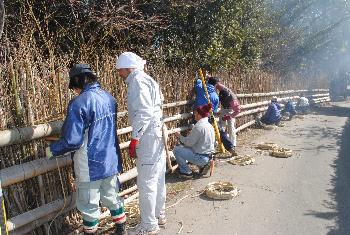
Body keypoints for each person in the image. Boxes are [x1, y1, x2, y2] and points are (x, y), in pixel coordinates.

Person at [45, 64, 126, 235]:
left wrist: (53, 149)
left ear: (77, 82)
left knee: (88, 204)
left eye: (73, 87)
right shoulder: (110, 98)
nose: (74, 91)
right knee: (112, 197)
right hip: (110, 158)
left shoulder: (79, 102)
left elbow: (72, 140)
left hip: (89, 163)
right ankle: (121, 230)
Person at [116, 52, 166, 235]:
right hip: (156, 132)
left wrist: (135, 138)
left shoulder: (137, 81)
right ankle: (159, 214)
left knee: (146, 181)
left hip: (147, 135)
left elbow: (144, 112)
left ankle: (148, 224)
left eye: (120, 70)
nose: (119, 74)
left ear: (129, 68)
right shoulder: (148, 80)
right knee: (158, 176)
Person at [173, 104, 215, 178]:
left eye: (196, 113)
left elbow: (189, 143)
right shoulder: (210, 125)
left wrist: (180, 136)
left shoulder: (199, 127)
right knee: (184, 148)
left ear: (199, 115)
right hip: (209, 156)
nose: (194, 115)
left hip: (201, 157)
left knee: (177, 150)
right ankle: (203, 165)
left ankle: (186, 172)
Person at [207, 77, 241, 156]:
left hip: (230, 110)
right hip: (223, 109)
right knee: (220, 126)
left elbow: (238, 110)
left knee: (231, 127)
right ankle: (218, 143)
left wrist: (231, 116)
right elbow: (216, 83)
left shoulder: (232, 99)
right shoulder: (222, 89)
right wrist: (210, 77)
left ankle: (233, 144)